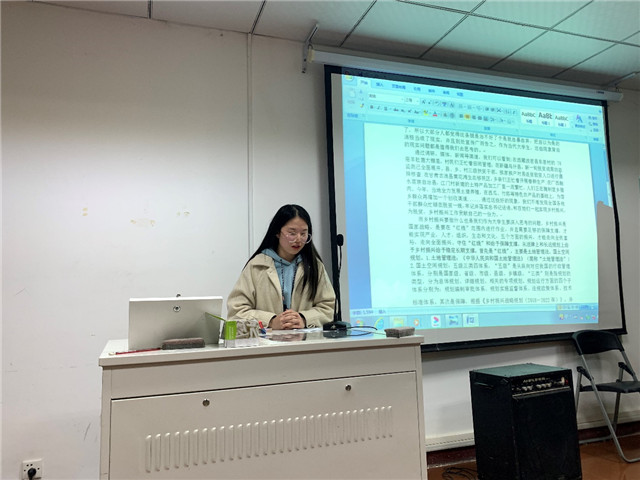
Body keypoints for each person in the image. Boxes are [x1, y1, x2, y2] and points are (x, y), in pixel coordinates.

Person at [227, 204, 335, 329]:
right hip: (268, 339)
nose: (298, 239)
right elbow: (236, 311)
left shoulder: (314, 266)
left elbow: (328, 307)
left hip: (305, 339)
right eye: (292, 233)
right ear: (277, 232)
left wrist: (304, 319)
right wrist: (271, 321)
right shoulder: (257, 266)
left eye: (303, 234)